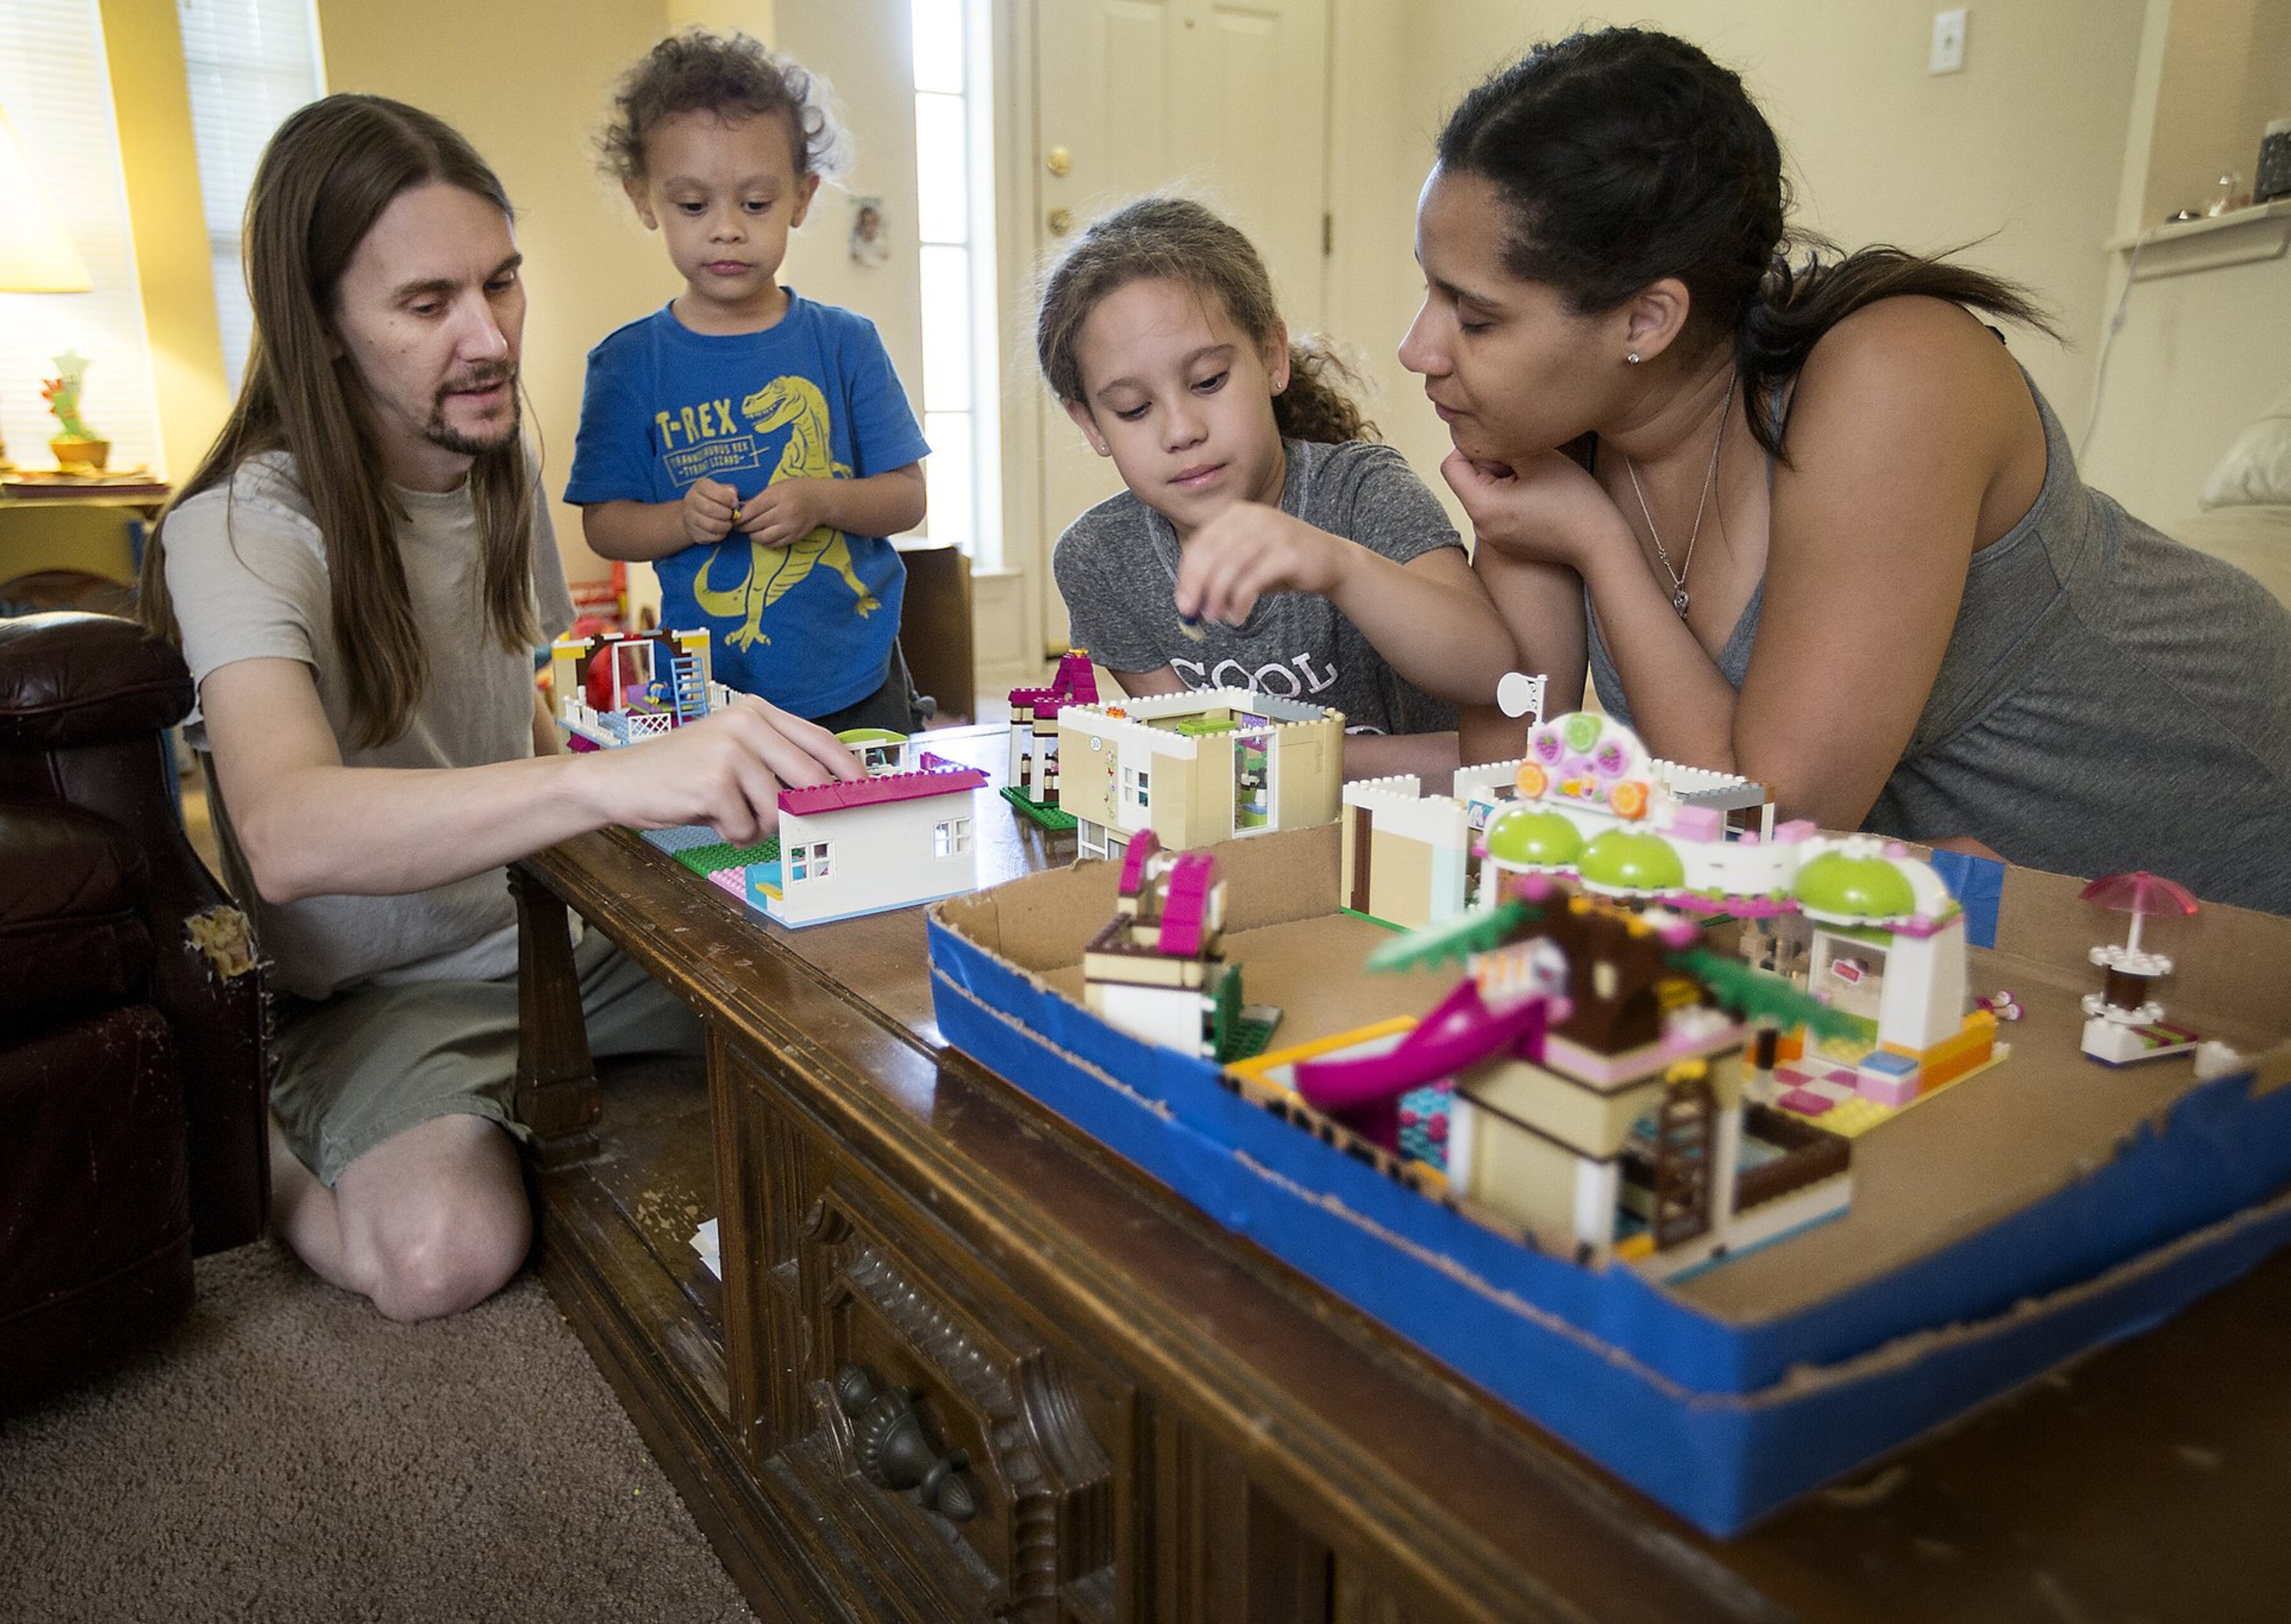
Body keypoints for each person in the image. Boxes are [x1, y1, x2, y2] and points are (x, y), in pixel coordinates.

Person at [137, 95, 860, 1322]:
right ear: (321, 327)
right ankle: (243, 1131)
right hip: (373, 996)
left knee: (854, 1020)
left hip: (545, 929)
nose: (489, 338)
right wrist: (596, 781)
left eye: (502, 283)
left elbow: (516, 701)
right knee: (444, 1254)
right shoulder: (239, 528)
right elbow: (284, 830)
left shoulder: (497, 464)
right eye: (427, 306)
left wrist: (643, 820)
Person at [1403, 27, 2291, 911]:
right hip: (1969, 937)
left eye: (1474, 317)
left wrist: (1597, 542)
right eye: (1429, 289)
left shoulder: (1895, 373)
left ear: (1646, 321)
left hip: (2227, 864)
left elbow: (1765, 817)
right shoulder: (1551, 437)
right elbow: (1507, 783)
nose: (1417, 349)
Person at [1037, 195, 1518, 784]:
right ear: (1091, 424)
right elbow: (1195, 766)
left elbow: (1491, 673)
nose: (1183, 431)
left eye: (1209, 381)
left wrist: (1337, 566)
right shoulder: (1101, 560)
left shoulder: (1361, 489)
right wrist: (1413, 761)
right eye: (1134, 409)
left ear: (1272, 357)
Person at [568, 29, 930, 734]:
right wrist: (679, 519)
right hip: (714, 690)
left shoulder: (845, 343)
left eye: (756, 204)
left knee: (876, 831)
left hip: (857, 672)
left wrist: (821, 499)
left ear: (802, 196)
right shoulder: (627, 364)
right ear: (644, 200)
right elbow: (605, 524)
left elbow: (908, 497)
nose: (727, 230)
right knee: (728, 845)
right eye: (694, 206)